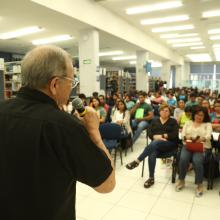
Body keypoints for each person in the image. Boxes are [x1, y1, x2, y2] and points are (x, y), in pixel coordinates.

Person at [0, 45, 115, 220]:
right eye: (71, 82)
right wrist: (95, 134)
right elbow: (107, 184)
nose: (72, 88)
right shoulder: (64, 126)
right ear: (54, 84)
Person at [126, 104, 179, 188]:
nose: (164, 112)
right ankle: (151, 178)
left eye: (166, 111)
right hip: (156, 146)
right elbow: (149, 132)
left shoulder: (173, 121)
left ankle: (137, 161)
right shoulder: (155, 121)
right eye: (162, 110)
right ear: (159, 111)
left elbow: (175, 134)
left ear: (169, 113)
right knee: (152, 152)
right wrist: (154, 137)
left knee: (155, 143)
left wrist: (162, 136)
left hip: (169, 145)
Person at [176, 106, 212, 197]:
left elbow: (208, 136)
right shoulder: (188, 123)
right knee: (183, 159)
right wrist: (187, 138)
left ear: (205, 116)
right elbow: (183, 135)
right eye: (197, 114)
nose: (198, 117)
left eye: (201, 115)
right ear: (194, 115)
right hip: (188, 145)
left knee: (197, 161)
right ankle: (181, 180)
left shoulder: (207, 124)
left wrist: (202, 139)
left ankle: (199, 184)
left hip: (202, 147)